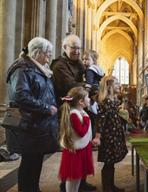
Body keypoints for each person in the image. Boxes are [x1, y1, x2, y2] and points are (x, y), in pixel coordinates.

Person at [6, 37, 58, 192]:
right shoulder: (22, 69)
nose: (49, 55)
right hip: (29, 125)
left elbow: (42, 92)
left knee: (36, 161)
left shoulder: (39, 69)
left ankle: (33, 188)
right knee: (29, 162)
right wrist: (46, 108)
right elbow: (20, 96)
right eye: (47, 52)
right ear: (37, 52)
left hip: (38, 125)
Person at [51, 34, 96, 192]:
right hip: (68, 110)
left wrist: (89, 85)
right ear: (65, 48)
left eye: (78, 48)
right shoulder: (59, 66)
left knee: (84, 148)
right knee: (73, 151)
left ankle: (81, 182)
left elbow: (92, 82)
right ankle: (66, 186)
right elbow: (69, 87)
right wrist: (87, 86)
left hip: (81, 106)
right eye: (73, 47)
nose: (77, 51)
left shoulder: (79, 64)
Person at [93, 75, 128, 192]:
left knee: (111, 163)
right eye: (117, 84)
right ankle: (107, 188)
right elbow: (101, 121)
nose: (119, 85)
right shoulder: (105, 102)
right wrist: (98, 137)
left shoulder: (113, 100)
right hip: (108, 138)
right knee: (108, 164)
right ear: (109, 86)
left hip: (114, 136)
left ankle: (111, 186)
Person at [58, 87, 94, 192]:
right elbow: (81, 132)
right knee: (72, 177)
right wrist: (87, 119)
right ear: (81, 102)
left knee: (78, 176)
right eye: (87, 97)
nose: (89, 99)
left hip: (81, 149)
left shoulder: (80, 111)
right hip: (76, 151)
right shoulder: (74, 114)